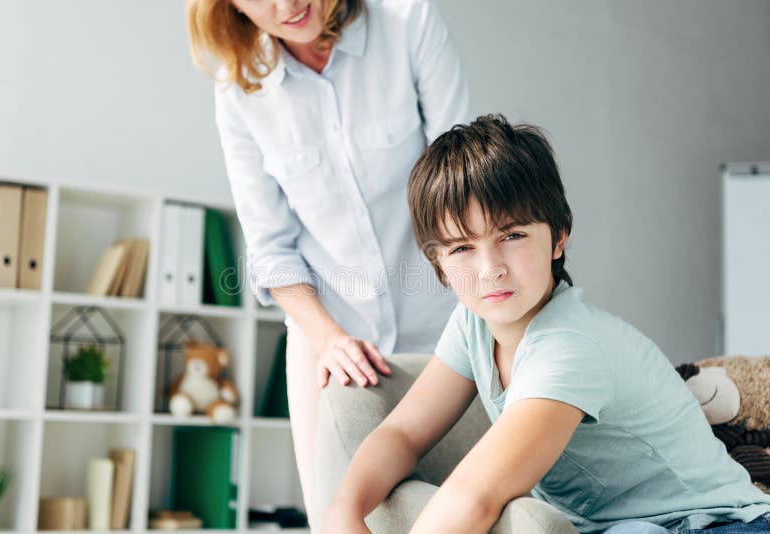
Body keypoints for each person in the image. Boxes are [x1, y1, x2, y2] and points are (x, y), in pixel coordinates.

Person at [322, 114, 770, 533]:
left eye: (511, 236)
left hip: (715, 524)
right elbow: (403, 433)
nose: (490, 268)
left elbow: (475, 497)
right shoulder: (473, 324)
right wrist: (344, 510)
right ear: (438, 264)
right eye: (461, 248)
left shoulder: (568, 345)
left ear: (558, 237)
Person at [185, 0, 469, 516]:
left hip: (445, 328)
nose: (288, 5)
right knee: (335, 517)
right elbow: (271, 247)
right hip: (328, 340)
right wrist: (329, 339)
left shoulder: (408, 24)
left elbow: (464, 187)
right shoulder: (238, 88)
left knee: (457, 510)